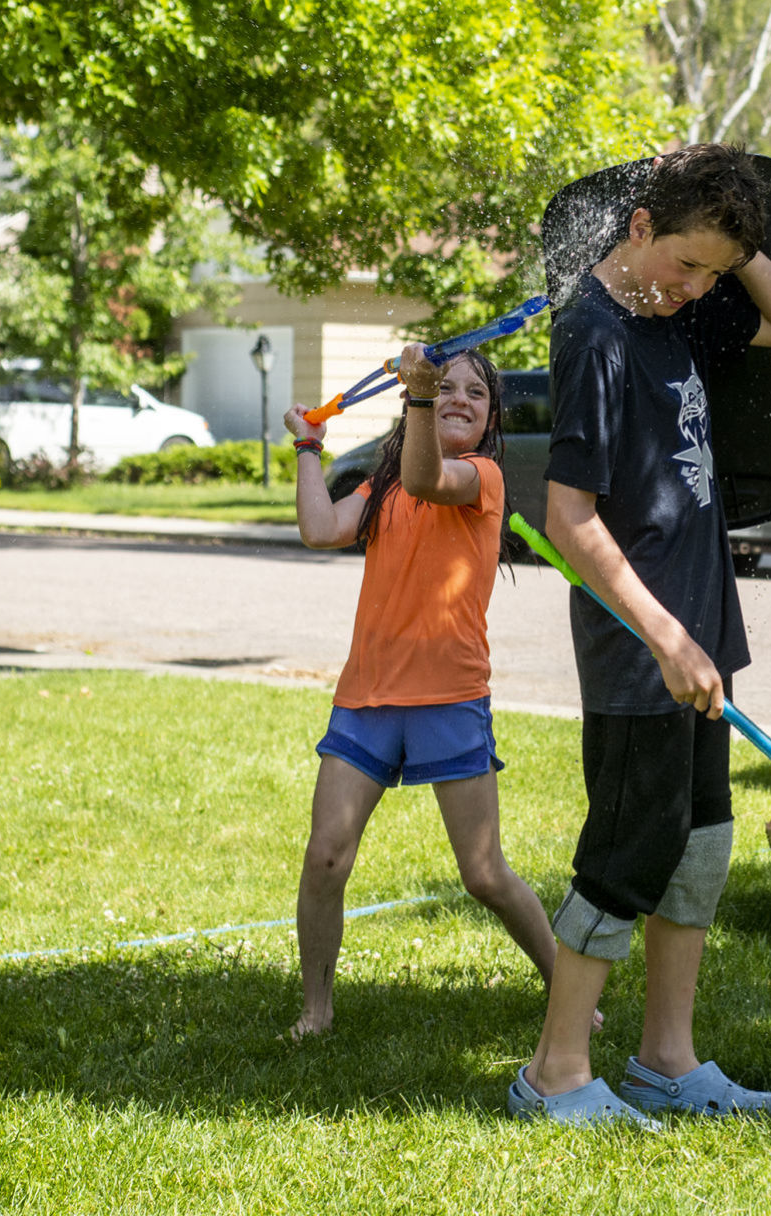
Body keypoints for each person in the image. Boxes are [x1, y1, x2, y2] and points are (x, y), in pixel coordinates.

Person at [509, 144, 771, 1127]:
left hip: (698, 637)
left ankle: (666, 1059)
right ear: (637, 225)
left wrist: (736, 245)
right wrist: (662, 638)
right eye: (684, 263)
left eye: (712, 276)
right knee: (626, 850)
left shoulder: (677, 314)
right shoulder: (596, 331)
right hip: (640, 648)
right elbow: (570, 519)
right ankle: (553, 1072)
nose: (695, 289)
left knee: (698, 845)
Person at [282, 348, 564, 1041]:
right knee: (325, 855)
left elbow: (429, 475)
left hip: (449, 700)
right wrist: (308, 449)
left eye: (476, 393)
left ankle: (568, 988)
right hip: (367, 698)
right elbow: (320, 531)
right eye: (449, 389)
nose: (460, 398)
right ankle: (316, 1009)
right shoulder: (382, 490)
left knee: (484, 874)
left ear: (492, 419)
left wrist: (419, 395)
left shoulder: (481, 478)